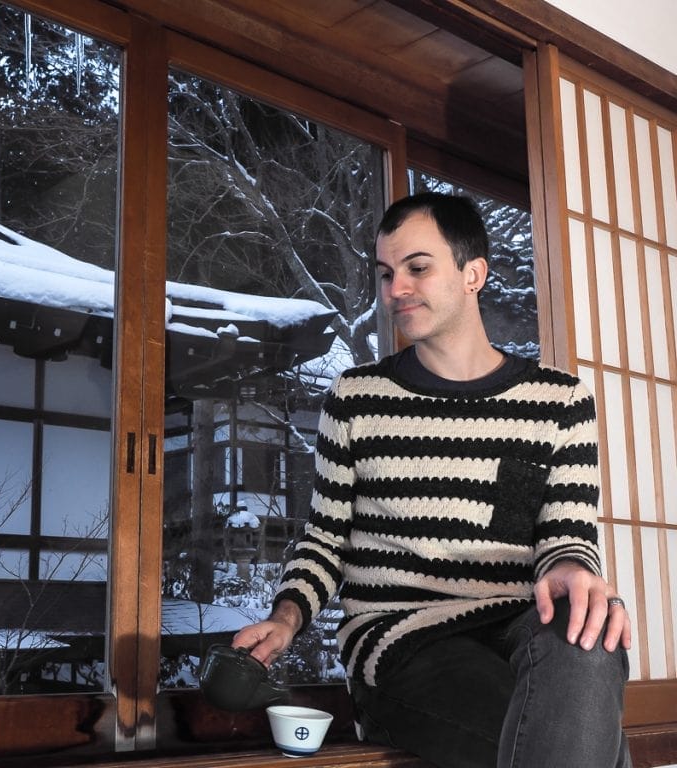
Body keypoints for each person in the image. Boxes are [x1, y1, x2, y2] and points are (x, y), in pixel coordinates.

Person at [232, 192, 632, 768]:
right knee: (553, 733)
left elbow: (566, 536)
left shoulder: (559, 401)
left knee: (591, 640)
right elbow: (325, 541)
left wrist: (573, 573)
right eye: (387, 273)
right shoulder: (356, 399)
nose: (396, 289)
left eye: (418, 268)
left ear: (473, 274)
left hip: (521, 621)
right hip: (403, 638)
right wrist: (286, 616)